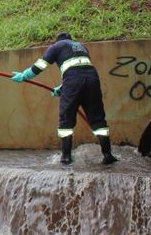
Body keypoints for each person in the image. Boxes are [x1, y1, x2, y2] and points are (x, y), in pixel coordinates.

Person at [10, 32, 118, 165]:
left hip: (73, 82)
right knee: (97, 119)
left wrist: (24, 75)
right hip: (93, 81)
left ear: (57, 41)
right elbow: (80, 70)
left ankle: (66, 157)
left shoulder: (56, 47)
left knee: (66, 119)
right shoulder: (81, 46)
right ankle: (108, 155)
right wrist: (62, 88)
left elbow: (41, 65)